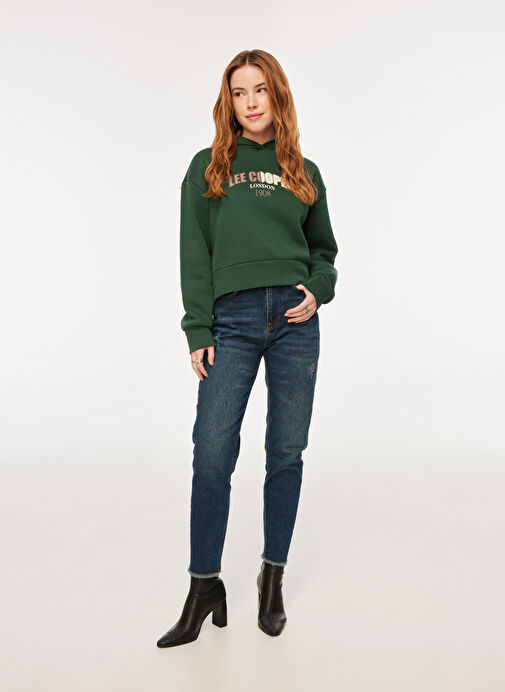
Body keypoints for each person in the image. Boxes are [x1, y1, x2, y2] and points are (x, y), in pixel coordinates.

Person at [157, 49, 338, 647]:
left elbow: (324, 251)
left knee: (285, 452)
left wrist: (318, 288)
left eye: (260, 89)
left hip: (294, 319)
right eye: (239, 92)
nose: (251, 102)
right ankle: (204, 586)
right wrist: (198, 329)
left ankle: (271, 576)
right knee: (211, 453)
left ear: (277, 95)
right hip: (230, 320)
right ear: (228, 102)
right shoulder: (209, 166)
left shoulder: (303, 171)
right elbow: (193, 252)